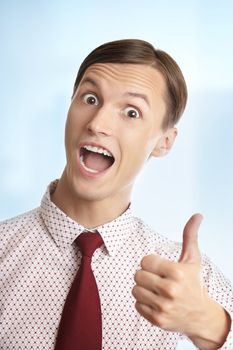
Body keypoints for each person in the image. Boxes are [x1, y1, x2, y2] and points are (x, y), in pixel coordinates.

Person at [0, 39, 232, 350]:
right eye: (91, 98)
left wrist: (209, 322)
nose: (97, 124)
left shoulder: (183, 275)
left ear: (165, 141)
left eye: (132, 112)